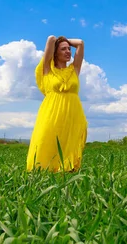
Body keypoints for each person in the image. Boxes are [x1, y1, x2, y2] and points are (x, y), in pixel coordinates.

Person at [26, 35, 88, 172]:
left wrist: (64, 41)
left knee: (69, 146)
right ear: (55, 52)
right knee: (45, 141)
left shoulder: (74, 70)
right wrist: (58, 40)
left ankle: (66, 174)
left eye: (68, 49)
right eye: (63, 49)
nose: (68, 51)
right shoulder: (47, 69)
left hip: (72, 116)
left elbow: (80, 44)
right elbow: (51, 39)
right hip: (51, 113)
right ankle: (40, 173)